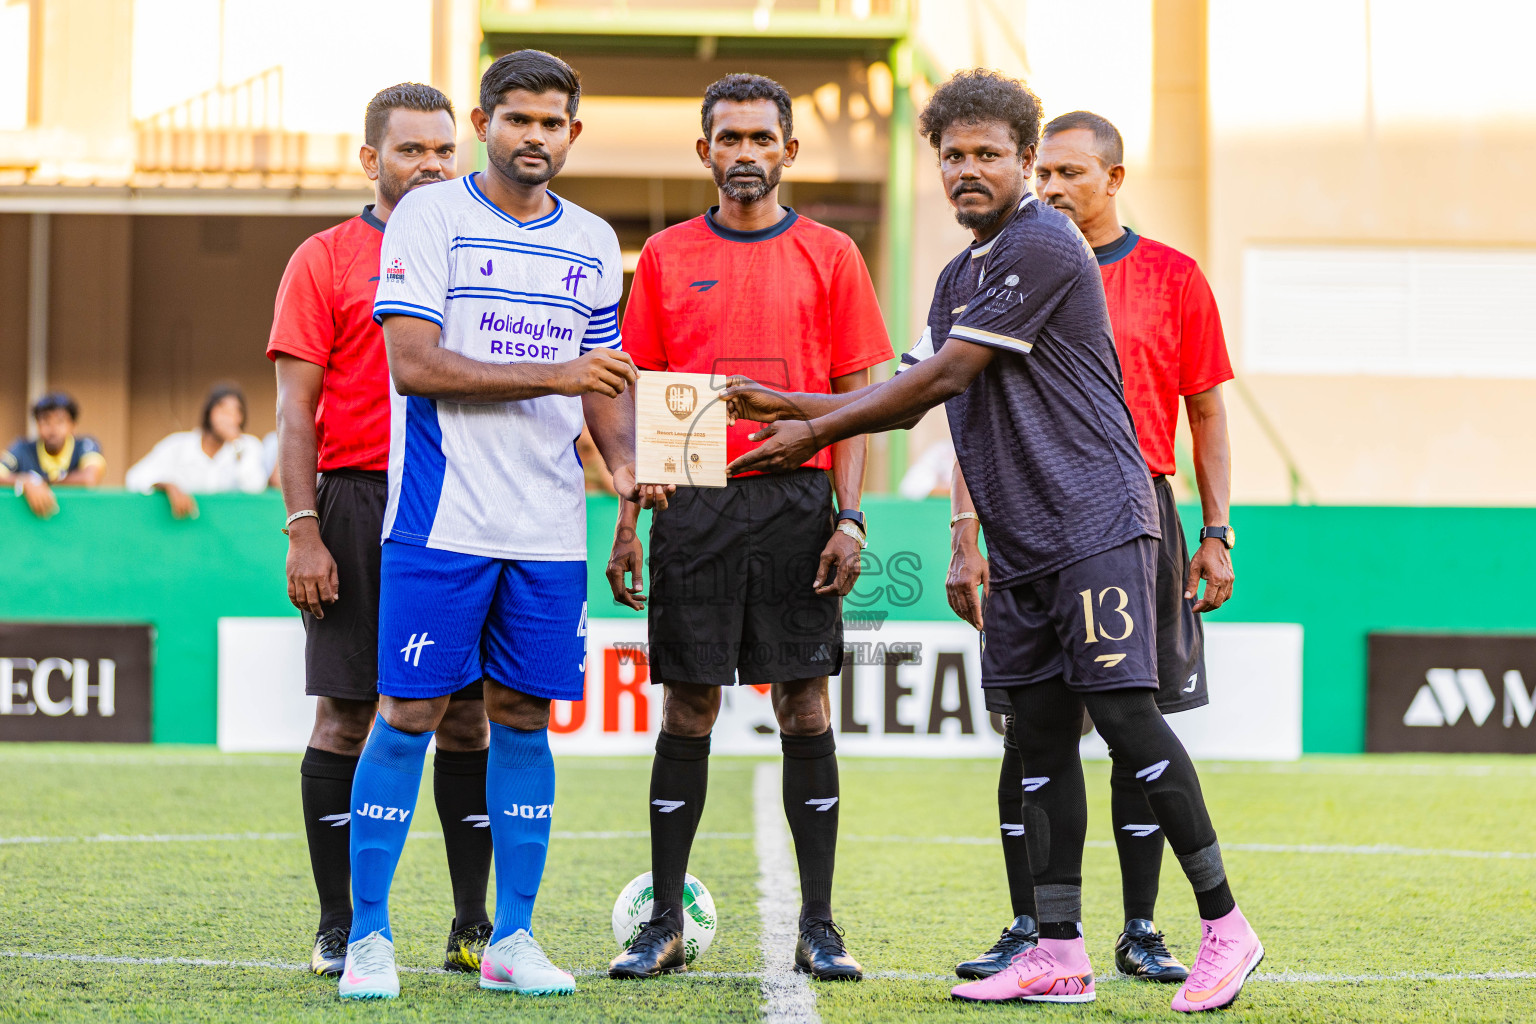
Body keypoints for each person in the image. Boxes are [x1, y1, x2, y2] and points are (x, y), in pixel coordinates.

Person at [725, 69, 1262, 1013]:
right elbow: (912, 379)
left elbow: (940, 382)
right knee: (1042, 741)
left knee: (1131, 722)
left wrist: (815, 431)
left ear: (1024, 162)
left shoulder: (1046, 244)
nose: (967, 170)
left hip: (1096, 526)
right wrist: (797, 402)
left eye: (988, 154)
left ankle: (1226, 926)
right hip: (1021, 544)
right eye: (952, 155)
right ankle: (1058, 950)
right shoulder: (961, 274)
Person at [336, 50, 667, 1001]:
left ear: (573, 131)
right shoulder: (431, 215)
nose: (534, 136)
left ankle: (513, 939)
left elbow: (604, 385)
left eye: (551, 121)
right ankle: (368, 940)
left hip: (549, 529)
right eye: (516, 119)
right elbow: (415, 365)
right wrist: (560, 376)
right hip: (442, 520)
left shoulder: (597, 242)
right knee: (407, 715)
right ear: (485, 124)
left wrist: (630, 474)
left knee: (524, 717)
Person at [604, 73, 893, 983]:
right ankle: (663, 923)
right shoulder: (662, 255)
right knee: (688, 704)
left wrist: (850, 517)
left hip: (798, 505)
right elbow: (639, 393)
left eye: (761, 139)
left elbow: (859, 401)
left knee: (802, 703)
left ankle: (820, 925)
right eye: (728, 139)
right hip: (691, 508)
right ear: (705, 153)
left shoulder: (833, 255)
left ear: (788, 152)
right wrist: (626, 515)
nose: (744, 155)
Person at [951, 109, 1236, 985]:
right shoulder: (999, 268)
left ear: (1115, 180)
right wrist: (966, 527)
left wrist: (1218, 531)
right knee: (1032, 728)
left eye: (1073, 173)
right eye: (1048, 174)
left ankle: (1146, 926)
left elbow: (1207, 408)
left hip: (1128, 511)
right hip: (1024, 515)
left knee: (1125, 717)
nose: (1054, 189)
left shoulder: (1173, 277)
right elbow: (966, 397)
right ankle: (1037, 928)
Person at [266, 82, 496, 980]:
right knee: (347, 716)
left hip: (466, 500)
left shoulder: (481, 246)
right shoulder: (323, 259)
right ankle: (341, 927)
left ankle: (472, 926)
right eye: (413, 151)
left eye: (445, 150)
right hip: (357, 503)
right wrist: (303, 529)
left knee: (470, 717)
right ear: (372, 160)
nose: (433, 166)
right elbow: (294, 413)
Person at [124, 384, 267, 517]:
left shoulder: (249, 446)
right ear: (209, 412)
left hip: (229, 529)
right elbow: (134, 477)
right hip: (185, 527)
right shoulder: (178, 444)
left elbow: (255, 489)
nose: (227, 417)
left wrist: (236, 444)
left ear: (241, 418)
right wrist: (167, 485)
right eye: (222, 409)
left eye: (235, 411)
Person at [1, 392, 105, 520]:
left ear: (73, 425)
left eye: (60, 421)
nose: (52, 429)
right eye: (45, 421)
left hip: (77, 521)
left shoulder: (86, 445)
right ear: (37, 425)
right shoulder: (22, 448)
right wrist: (24, 481)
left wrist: (39, 483)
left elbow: (89, 478)